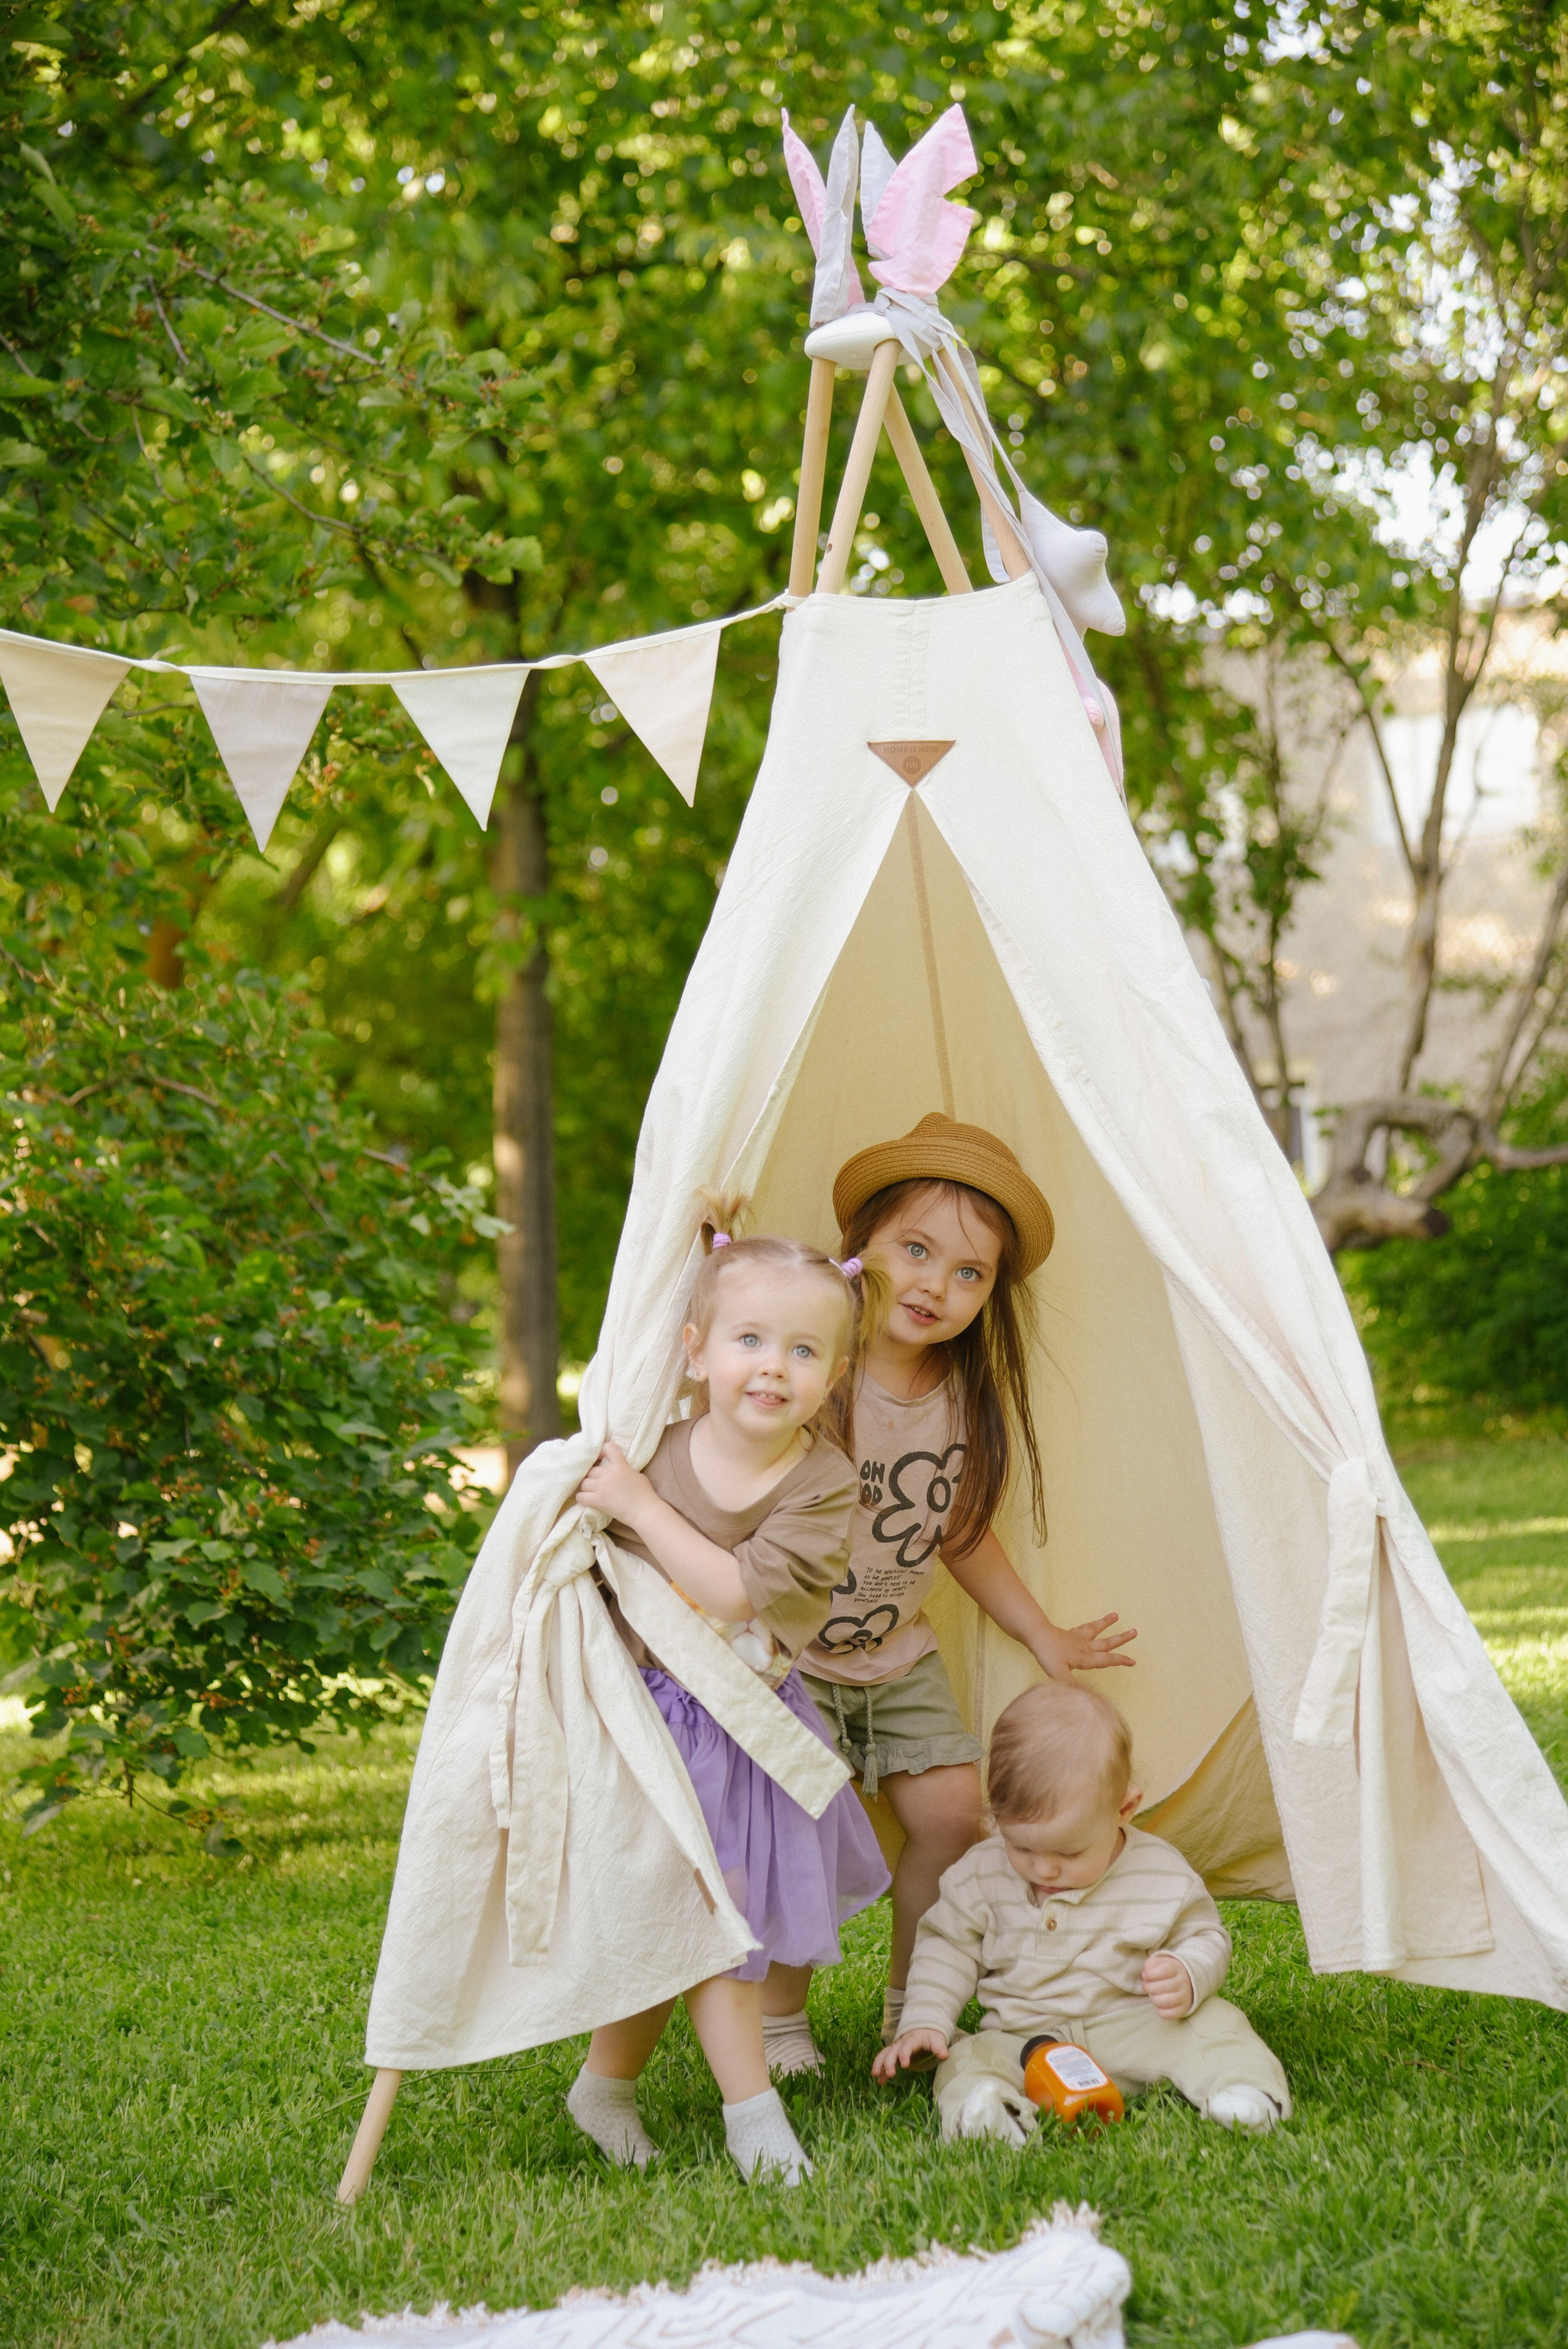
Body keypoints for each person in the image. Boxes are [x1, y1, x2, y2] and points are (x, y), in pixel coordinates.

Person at [760, 1113, 1137, 2074]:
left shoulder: (964, 1397)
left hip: (900, 1653)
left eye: (969, 1272)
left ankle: (911, 2005)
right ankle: (777, 2019)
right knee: (795, 1828)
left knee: (951, 1816)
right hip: (791, 1659)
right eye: (915, 1249)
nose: (936, 1283)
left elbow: (960, 1533)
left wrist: (1043, 1632)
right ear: (859, 1251)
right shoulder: (817, 1373)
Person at [565, 1207, 891, 2185]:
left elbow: (734, 1591)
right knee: (705, 1909)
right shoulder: (649, 1442)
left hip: (745, 1728)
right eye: (749, 1340)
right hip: (649, 1720)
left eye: (803, 1350)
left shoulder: (823, 1483)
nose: (772, 1366)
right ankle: (742, 2112)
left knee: (718, 1911)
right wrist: (626, 1493)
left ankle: (615, 2088)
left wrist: (638, 1507)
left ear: (832, 1379)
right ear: (696, 1351)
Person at [873, 1680, 1291, 2140]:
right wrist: (926, 2020)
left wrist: (1188, 1971)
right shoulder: (981, 1873)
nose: (1044, 1868)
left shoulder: (1157, 1871)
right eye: (1021, 1846)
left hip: (1134, 2027)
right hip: (1025, 2039)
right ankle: (990, 2114)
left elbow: (1205, 1936)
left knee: (1217, 2026)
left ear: (1125, 1807)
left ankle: (1246, 2092)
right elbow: (946, 1948)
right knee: (968, 2060)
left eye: (1069, 1853)